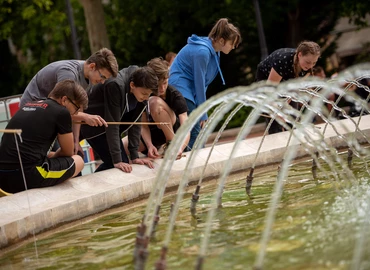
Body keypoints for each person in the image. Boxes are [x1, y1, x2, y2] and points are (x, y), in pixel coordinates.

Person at [20, 48, 119, 153]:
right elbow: (60, 110)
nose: (102, 82)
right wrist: (86, 117)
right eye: (102, 76)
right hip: (32, 110)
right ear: (92, 66)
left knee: (73, 151)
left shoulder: (89, 78)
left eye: (105, 79)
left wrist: (76, 141)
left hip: (49, 112)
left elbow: (77, 109)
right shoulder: (68, 73)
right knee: (64, 154)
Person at [0, 80, 87, 194]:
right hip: (25, 176)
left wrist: (52, 156)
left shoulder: (29, 104)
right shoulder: (62, 112)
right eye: (76, 109)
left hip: (3, 176)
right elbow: (68, 152)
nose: (75, 114)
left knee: (50, 154)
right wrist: (55, 156)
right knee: (78, 160)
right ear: (64, 100)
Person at [169, 18, 241, 149]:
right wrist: (203, 113)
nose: (234, 47)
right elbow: (199, 83)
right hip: (180, 88)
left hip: (187, 90)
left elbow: (202, 83)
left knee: (193, 131)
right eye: (232, 44)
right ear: (221, 41)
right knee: (196, 131)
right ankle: (196, 165)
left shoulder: (214, 51)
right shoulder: (203, 52)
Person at [79, 66, 159, 173]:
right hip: (94, 125)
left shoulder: (142, 85)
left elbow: (135, 122)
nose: (146, 98)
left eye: (149, 95)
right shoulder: (115, 86)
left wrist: (134, 155)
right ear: (132, 85)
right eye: (144, 94)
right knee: (117, 165)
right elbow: (112, 123)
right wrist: (116, 160)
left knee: (125, 162)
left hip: (109, 126)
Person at [122, 57, 190, 159]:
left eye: (165, 83)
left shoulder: (175, 96)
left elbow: (186, 126)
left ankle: (171, 144)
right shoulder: (143, 94)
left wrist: (180, 147)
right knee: (119, 147)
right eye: (158, 85)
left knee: (154, 102)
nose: (162, 89)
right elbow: (143, 125)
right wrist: (149, 145)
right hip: (153, 134)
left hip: (172, 130)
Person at [256, 40, 321, 133]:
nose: (310, 66)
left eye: (314, 63)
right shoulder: (283, 60)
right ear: (299, 55)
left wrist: (285, 104)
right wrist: (276, 109)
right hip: (267, 79)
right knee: (274, 119)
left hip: (286, 80)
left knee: (292, 117)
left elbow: (293, 90)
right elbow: (270, 90)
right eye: (308, 62)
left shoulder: (306, 67)